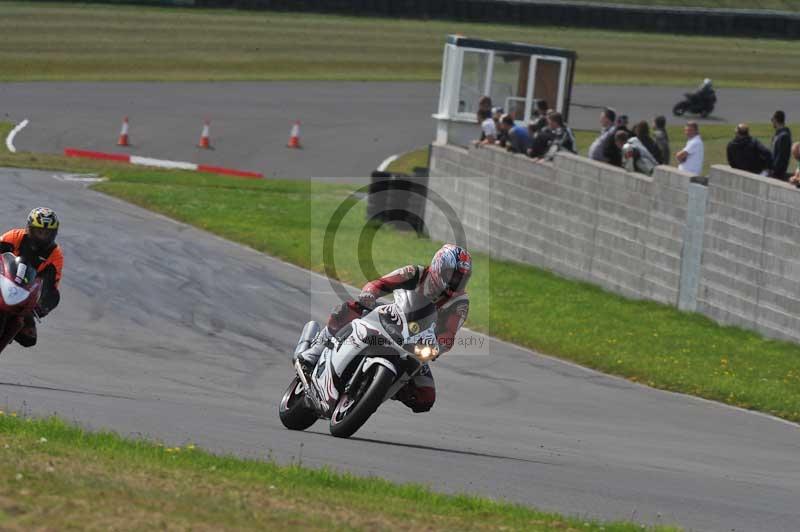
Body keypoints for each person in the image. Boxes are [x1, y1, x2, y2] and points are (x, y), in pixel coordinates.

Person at [296, 244, 472, 413]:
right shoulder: (415, 273)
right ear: (439, 266)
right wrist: (370, 293)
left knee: (425, 397)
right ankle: (316, 350)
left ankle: (378, 388)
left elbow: (449, 333)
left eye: (461, 278)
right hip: (391, 318)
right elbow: (382, 283)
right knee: (348, 309)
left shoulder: (459, 302)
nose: (456, 282)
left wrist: (437, 346)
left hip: (416, 344)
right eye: (453, 276)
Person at [0, 208, 63, 348]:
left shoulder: (55, 254)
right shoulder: (13, 236)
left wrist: (41, 307)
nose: (42, 236)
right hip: (2, 282)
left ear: (54, 233)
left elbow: (52, 287)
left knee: (29, 338)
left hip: (24, 295)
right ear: (29, 228)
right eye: (39, 231)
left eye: (47, 233)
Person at [770, 110, 792, 181]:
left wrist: (773, 171)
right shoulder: (777, 135)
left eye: (772, 119)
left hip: (777, 174)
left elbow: (781, 157)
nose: (771, 122)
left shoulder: (784, 136)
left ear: (776, 120)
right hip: (773, 171)